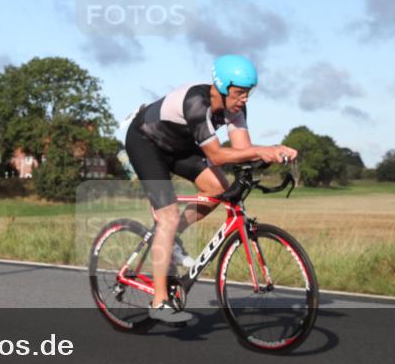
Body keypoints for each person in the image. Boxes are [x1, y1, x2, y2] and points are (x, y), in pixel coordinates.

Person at [124, 55, 298, 324]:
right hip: (146, 142)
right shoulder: (197, 102)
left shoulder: (236, 109)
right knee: (168, 215)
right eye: (239, 92)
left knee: (218, 188)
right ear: (221, 87)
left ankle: (172, 240)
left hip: (180, 148)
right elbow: (217, 156)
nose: (244, 99)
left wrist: (274, 154)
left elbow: (241, 152)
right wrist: (265, 149)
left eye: (248, 93)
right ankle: (159, 301)